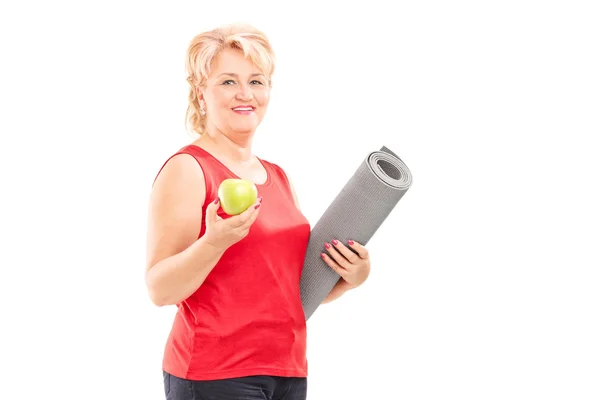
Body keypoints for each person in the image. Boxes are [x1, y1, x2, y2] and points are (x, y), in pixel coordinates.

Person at [145, 23, 372, 400]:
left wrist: (350, 278)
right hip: (215, 374)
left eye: (256, 81)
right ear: (201, 92)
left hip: (288, 370)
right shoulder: (188, 168)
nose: (245, 94)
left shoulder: (279, 177)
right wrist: (214, 242)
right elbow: (159, 289)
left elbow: (285, 290)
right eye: (228, 82)